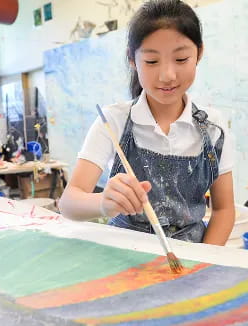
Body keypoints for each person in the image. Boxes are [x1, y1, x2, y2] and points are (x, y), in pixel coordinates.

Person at [59, 0, 235, 245]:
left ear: (199, 53)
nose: (167, 75)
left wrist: (202, 265)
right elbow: (68, 203)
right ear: (132, 59)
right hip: (123, 254)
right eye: (152, 62)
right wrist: (103, 202)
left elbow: (224, 210)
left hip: (191, 259)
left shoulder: (213, 127)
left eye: (181, 59)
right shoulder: (113, 120)